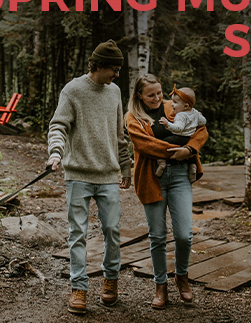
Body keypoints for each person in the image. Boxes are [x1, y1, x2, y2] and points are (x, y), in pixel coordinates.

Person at [46, 39, 132, 315]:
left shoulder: (114, 91)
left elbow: (119, 134)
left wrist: (125, 166)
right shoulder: (73, 90)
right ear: (99, 66)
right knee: (78, 234)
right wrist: (55, 152)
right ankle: (79, 288)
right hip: (78, 174)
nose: (117, 75)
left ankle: (110, 280)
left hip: (108, 175)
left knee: (112, 231)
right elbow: (58, 126)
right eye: (114, 69)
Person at [125, 73, 208, 310]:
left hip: (181, 175)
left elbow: (201, 130)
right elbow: (145, 145)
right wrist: (178, 149)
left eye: (159, 93)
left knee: (184, 235)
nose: (157, 98)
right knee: (157, 236)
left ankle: (182, 277)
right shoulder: (133, 118)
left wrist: (189, 150)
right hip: (152, 177)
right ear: (139, 95)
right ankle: (160, 285)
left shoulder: (175, 106)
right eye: (150, 95)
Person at [155, 85, 207, 183]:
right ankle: (192, 166)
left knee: (162, 143)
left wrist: (167, 124)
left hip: (179, 137)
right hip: (189, 138)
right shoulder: (195, 112)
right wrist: (200, 116)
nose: (172, 104)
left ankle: (161, 162)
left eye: (175, 102)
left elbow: (178, 128)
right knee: (190, 154)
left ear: (186, 106)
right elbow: (203, 122)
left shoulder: (181, 115)